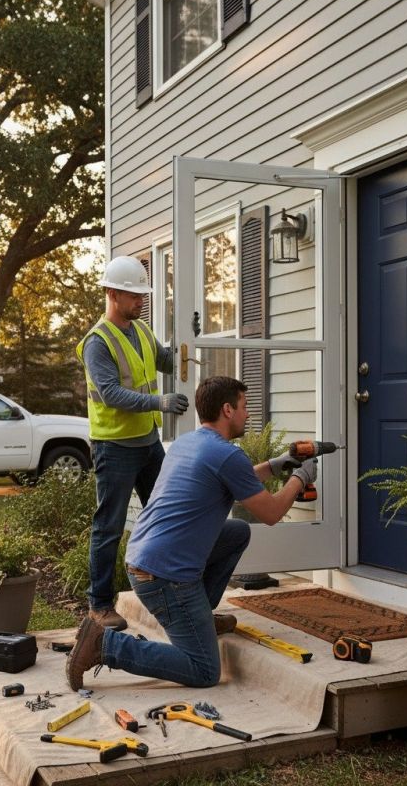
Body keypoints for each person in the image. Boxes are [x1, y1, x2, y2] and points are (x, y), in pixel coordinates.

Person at [65, 375, 318, 691]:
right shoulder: (227, 455)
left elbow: (233, 478)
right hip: (164, 577)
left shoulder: (189, 443)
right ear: (227, 410)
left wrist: (274, 465)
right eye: (244, 406)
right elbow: (271, 513)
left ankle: (200, 617)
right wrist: (300, 478)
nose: (248, 414)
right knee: (204, 670)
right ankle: (105, 645)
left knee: (236, 532)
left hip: (144, 559)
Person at [77, 256, 189, 632]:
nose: (141, 301)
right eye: (134, 295)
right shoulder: (97, 342)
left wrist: (189, 343)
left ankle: (172, 597)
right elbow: (111, 393)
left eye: (143, 295)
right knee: (109, 527)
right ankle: (99, 605)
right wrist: (160, 402)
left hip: (148, 443)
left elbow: (167, 361)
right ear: (112, 293)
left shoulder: (140, 330)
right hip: (114, 447)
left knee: (167, 516)